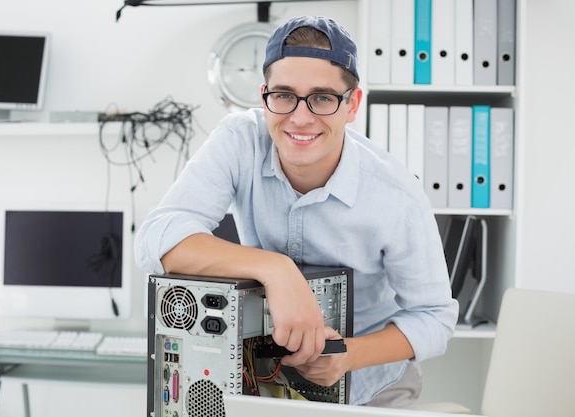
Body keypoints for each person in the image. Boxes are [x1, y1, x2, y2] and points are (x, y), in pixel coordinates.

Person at [135, 15, 458, 408]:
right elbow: (158, 236)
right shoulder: (239, 141)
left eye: (322, 97)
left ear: (352, 104)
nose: (300, 118)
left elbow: (434, 318)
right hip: (261, 383)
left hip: (368, 385)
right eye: (284, 95)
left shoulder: (397, 196)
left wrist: (348, 356)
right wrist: (276, 270)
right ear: (264, 96)